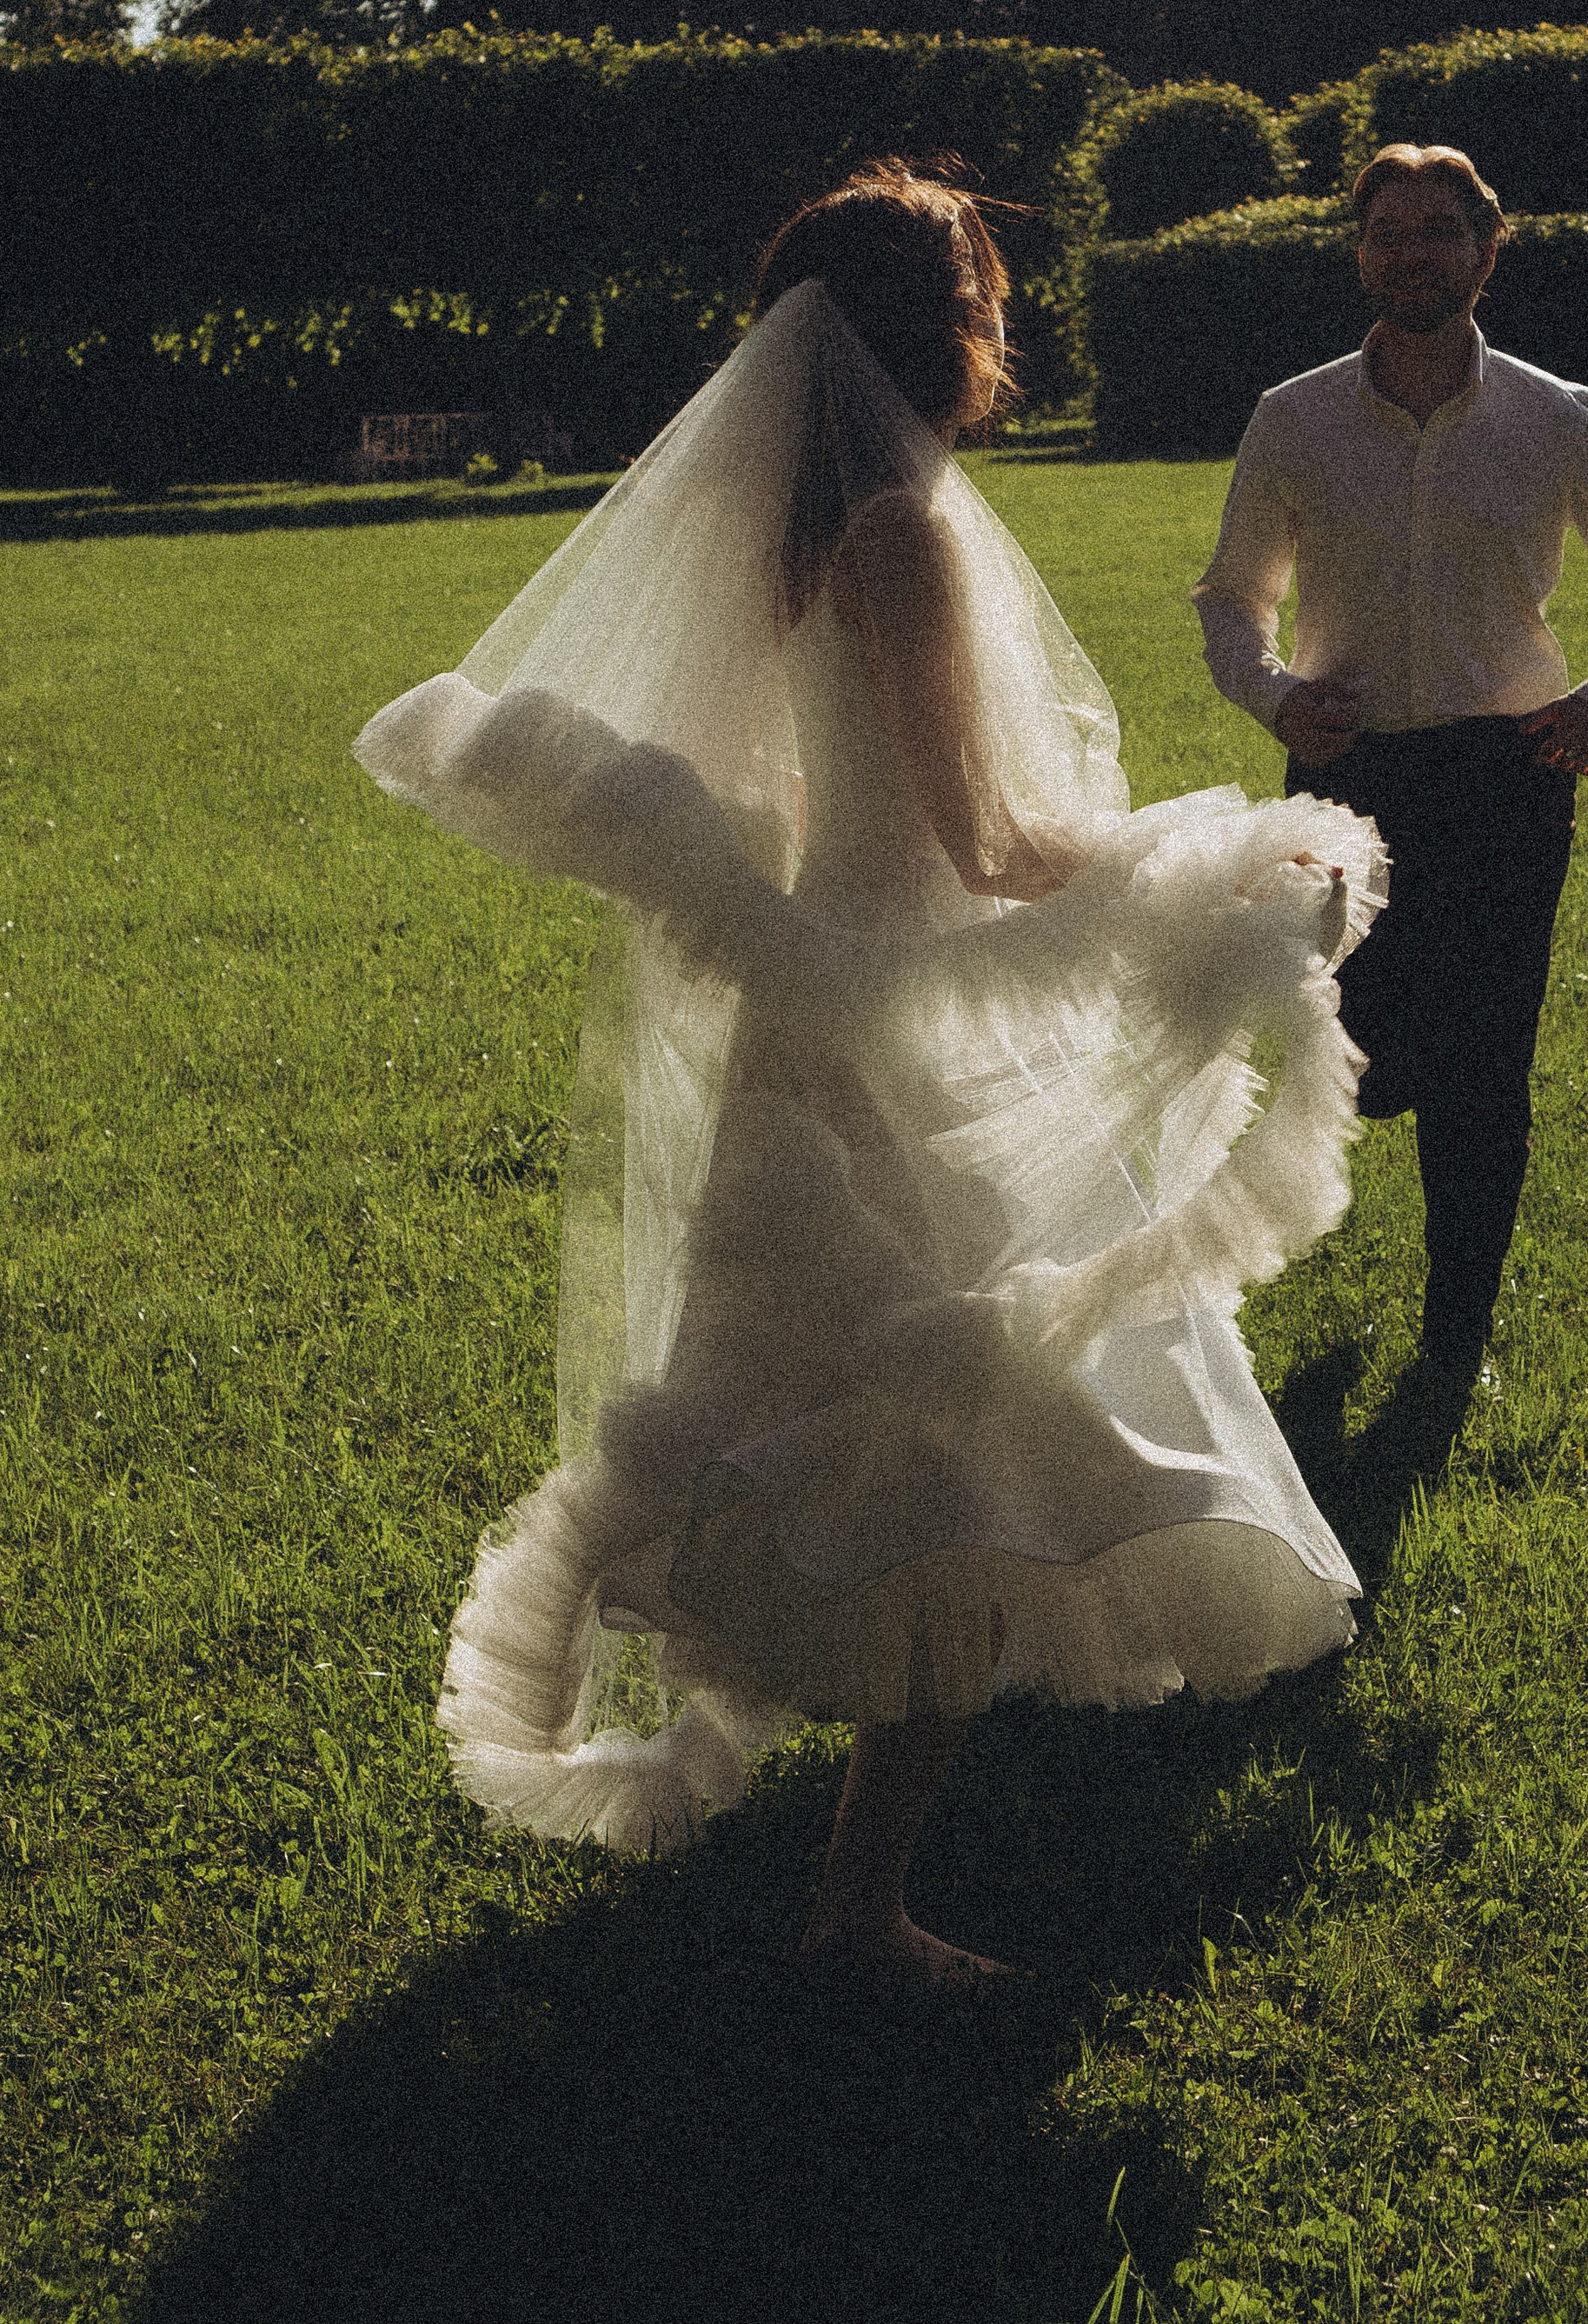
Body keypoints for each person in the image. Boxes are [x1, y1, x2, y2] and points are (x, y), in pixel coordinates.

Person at [356, 163, 1389, 1981]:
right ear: (950, 327)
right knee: (959, 1432)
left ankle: (845, 1866)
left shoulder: (784, 523)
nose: (1002, 326)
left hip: (823, 995)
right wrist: (1211, 859)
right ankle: (858, 1907)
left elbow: (804, 795)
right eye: (987, 295)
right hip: (906, 1011)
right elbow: (988, 843)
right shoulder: (902, 529)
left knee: (853, 1409)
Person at [1192, 141, 1588, 1390]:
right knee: (1361, 1051)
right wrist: (1277, 696)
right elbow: (1233, 598)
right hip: (1347, 780)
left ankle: (1454, 1340)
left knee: (1485, 1070)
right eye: (1389, 233)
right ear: (1360, 253)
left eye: (1439, 232)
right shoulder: (1294, 417)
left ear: (1487, 250)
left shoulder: (1557, 416)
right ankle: (1403, 1096)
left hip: (1508, 773)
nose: (1412, 255)